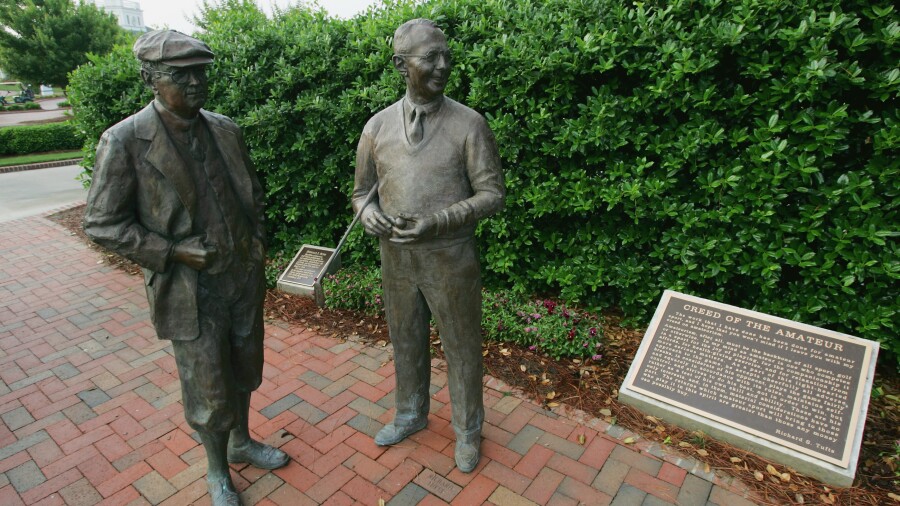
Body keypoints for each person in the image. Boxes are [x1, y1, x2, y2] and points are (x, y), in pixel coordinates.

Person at [83, 30, 288, 506]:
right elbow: (101, 223)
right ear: (150, 79)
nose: (195, 82)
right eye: (180, 74)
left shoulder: (224, 128)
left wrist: (255, 245)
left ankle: (241, 441)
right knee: (207, 383)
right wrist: (172, 252)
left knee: (244, 367)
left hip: (240, 275)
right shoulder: (125, 140)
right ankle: (217, 472)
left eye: (200, 72)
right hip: (188, 286)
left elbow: (251, 194)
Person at [352, 18, 505, 473]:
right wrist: (369, 215)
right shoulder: (376, 127)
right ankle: (410, 413)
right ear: (401, 64)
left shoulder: (469, 124)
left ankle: (467, 429)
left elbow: (492, 194)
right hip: (396, 258)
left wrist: (437, 222)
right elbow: (361, 193)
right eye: (429, 57)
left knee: (461, 346)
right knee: (406, 339)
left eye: (446, 55)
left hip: (451, 258)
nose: (442, 65)